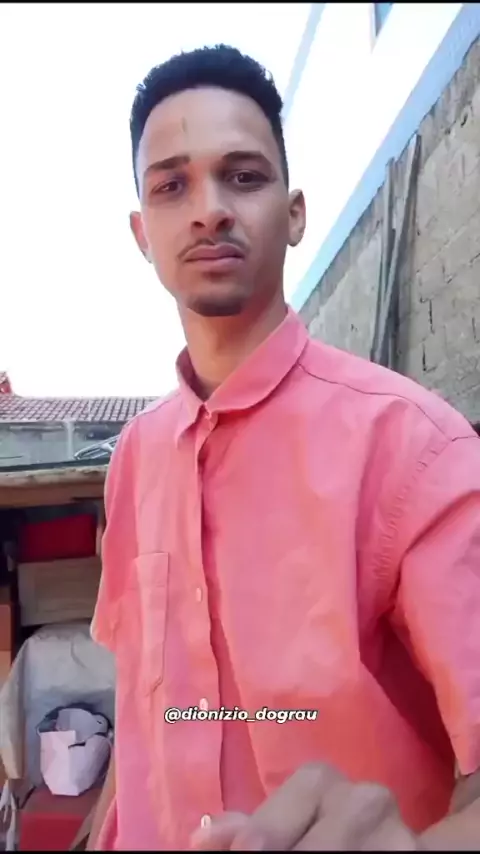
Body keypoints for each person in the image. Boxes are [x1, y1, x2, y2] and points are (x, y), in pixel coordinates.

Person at [88, 44, 480, 850]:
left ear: (294, 213)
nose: (209, 210)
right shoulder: (133, 459)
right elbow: (139, 701)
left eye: (242, 176)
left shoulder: (415, 451)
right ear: (141, 232)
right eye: (172, 186)